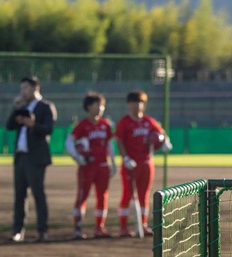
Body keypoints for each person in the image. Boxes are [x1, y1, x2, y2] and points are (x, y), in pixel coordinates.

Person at [6, 76, 56, 242]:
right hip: (21, 157)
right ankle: (17, 231)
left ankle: (42, 231)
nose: (23, 92)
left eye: (25, 88)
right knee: (19, 196)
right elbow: (9, 126)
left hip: (36, 158)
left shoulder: (46, 107)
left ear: (35, 88)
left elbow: (48, 129)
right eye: (21, 89)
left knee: (38, 194)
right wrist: (16, 110)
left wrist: (33, 124)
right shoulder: (23, 106)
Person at [114, 90, 170, 238]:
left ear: (144, 105)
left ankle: (143, 225)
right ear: (129, 104)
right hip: (130, 164)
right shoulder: (124, 122)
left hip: (146, 162)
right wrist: (125, 158)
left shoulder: (149, 121)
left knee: (144, 195)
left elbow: (161, 133)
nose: (136, 105)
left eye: (140, 102)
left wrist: (164, 141)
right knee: (127, 195)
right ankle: (123, 227)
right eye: (133, 102)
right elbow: (119, 140)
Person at [65, 92, 116, 239]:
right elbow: (69, 142)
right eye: (97, 105)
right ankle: (78, 229)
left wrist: (112, 162)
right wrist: (77, 156)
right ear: (89, 107)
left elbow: (109, 144)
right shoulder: (82, 125)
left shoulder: (105, 125)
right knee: (82, 196)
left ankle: (100, 227)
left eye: (102, 106)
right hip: (87, 167)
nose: (100, 108)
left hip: (102, 166)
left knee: (102, 197)